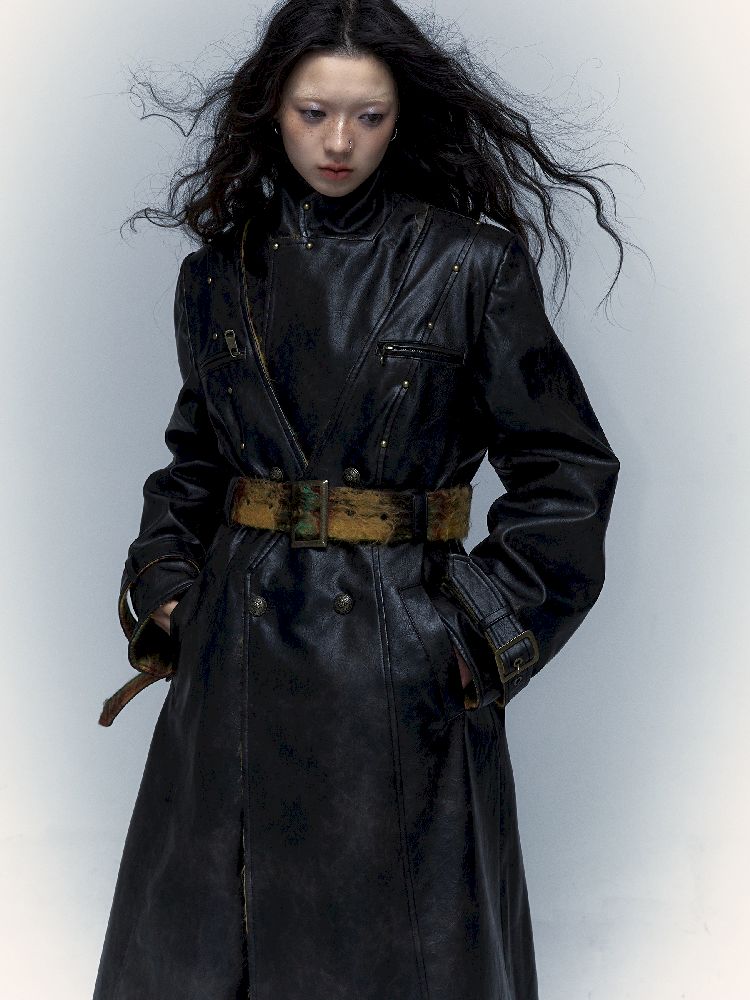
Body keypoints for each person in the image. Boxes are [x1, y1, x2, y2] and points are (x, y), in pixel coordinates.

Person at [93, 2, 625, 998]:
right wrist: (166, 580)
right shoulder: (216, 274)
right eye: (314, 112)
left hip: (398, 660)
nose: (339, 141)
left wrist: (469, 633)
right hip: (237, 661)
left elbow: (566, 471)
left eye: (368, 116)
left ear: (400, 117)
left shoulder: (470, 264)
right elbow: (194, 458)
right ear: (273, 112)